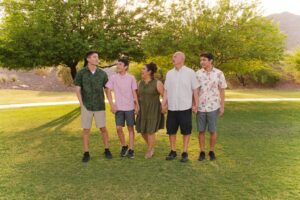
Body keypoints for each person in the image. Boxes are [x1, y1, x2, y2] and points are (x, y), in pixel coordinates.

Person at [74, 50, 112, 163]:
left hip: (100, 105)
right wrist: (81, 104)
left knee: (103, 128)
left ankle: (107, 149)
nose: (97, 59)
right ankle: (86, 152)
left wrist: (111, 103)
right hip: (86, 106)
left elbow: (107, 89)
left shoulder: (102, 74)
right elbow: (77, 89)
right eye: (95, 57)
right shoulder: (81, 73)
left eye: (97, 57)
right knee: (86, 130)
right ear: (88, 59)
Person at [162, 52, 199, 162]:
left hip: (185, 107)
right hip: (172, 108)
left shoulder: (190, 72)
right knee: (171, 130)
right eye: (172, 56)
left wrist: (196, 105)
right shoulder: (169, 73)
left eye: (175, 56)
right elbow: (166, 90)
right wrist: (163, 102)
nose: (173, 58)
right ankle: (173, 151)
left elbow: (195, 90)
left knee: (186, 131)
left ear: (182, 59)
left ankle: (184, 152)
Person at [196, 52, 227, 161]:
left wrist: (222, 106)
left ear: (210, 61)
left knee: (213, 131)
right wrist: (194, 104)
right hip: (200, 107)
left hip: (214, 106)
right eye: (201, 60)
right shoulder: (198, 74)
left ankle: (212, 151)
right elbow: (195, 91)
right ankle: (202, 151)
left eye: (204, 60)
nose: (202, 62)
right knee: (201, 131)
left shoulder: (219, 73)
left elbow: (222, 90)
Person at [106, 58, 139, 159]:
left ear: (125, 67)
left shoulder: (131, 78)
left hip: (129, 107)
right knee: (118, 128)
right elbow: (108, 90)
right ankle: (124, 146)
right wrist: (112, 104)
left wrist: (137, 105)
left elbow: (134, 92)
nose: (118, 66)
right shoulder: (113, 77)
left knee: (130, 128)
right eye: (117, 64)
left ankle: (131, 149)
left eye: (120, 64)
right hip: (119, 108)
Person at [136, 62, 164, 159]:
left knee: (150, 131)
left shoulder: (157, 83)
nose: (141, 71)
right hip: (142, 109)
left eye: (143, 69)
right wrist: (136, 106)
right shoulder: (139, 83)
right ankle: (151, 146)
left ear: (149, 71)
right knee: (142, 130)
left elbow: (165, 96)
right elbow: (137, 96)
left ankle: (150, 150)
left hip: (153, 109)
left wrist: (164, 106)